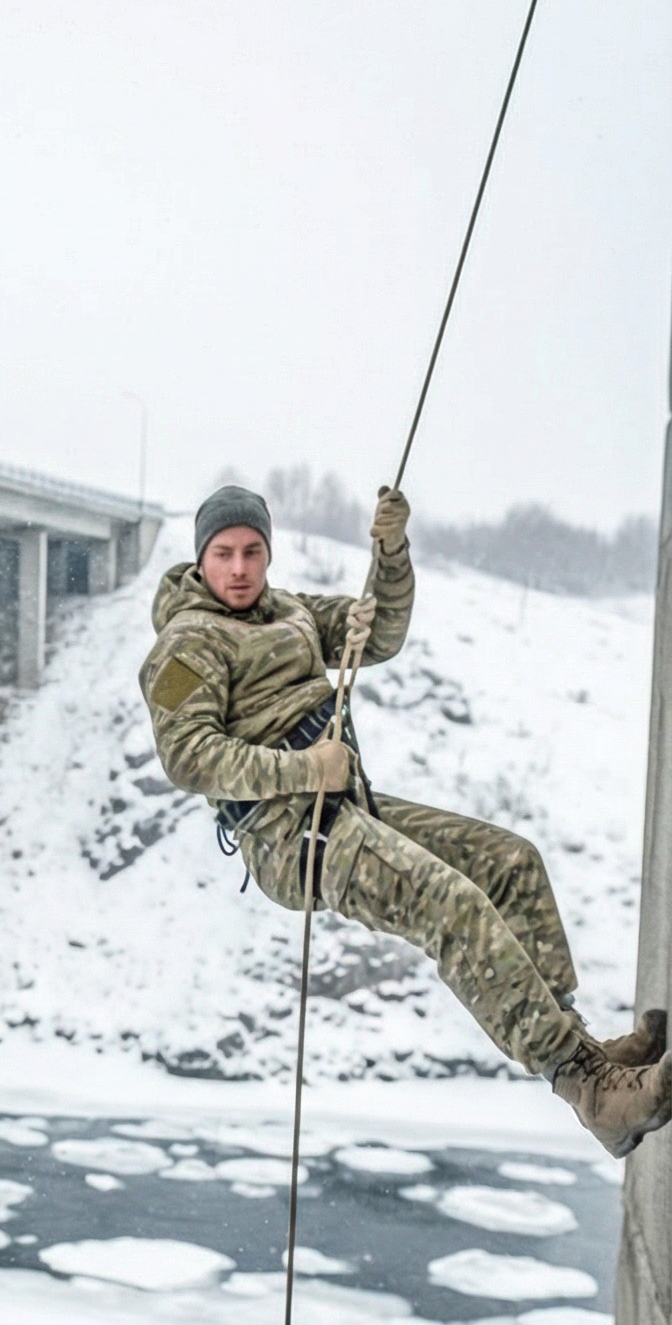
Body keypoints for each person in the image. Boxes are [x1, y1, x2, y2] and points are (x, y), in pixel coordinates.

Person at [139, 483, 672, 1157]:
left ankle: (583, 1045)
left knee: (510, 861)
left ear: (268, 554)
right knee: (450, 905)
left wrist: (391, 552)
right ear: (201, 559)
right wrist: (303, 771)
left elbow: (379, 631)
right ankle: (590, 1088)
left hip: (347, 803)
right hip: (290, 835)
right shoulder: (186, 645)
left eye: (251, 551)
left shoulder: (291, 613)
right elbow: (188, 756)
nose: (239, 568)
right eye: (223, 554)